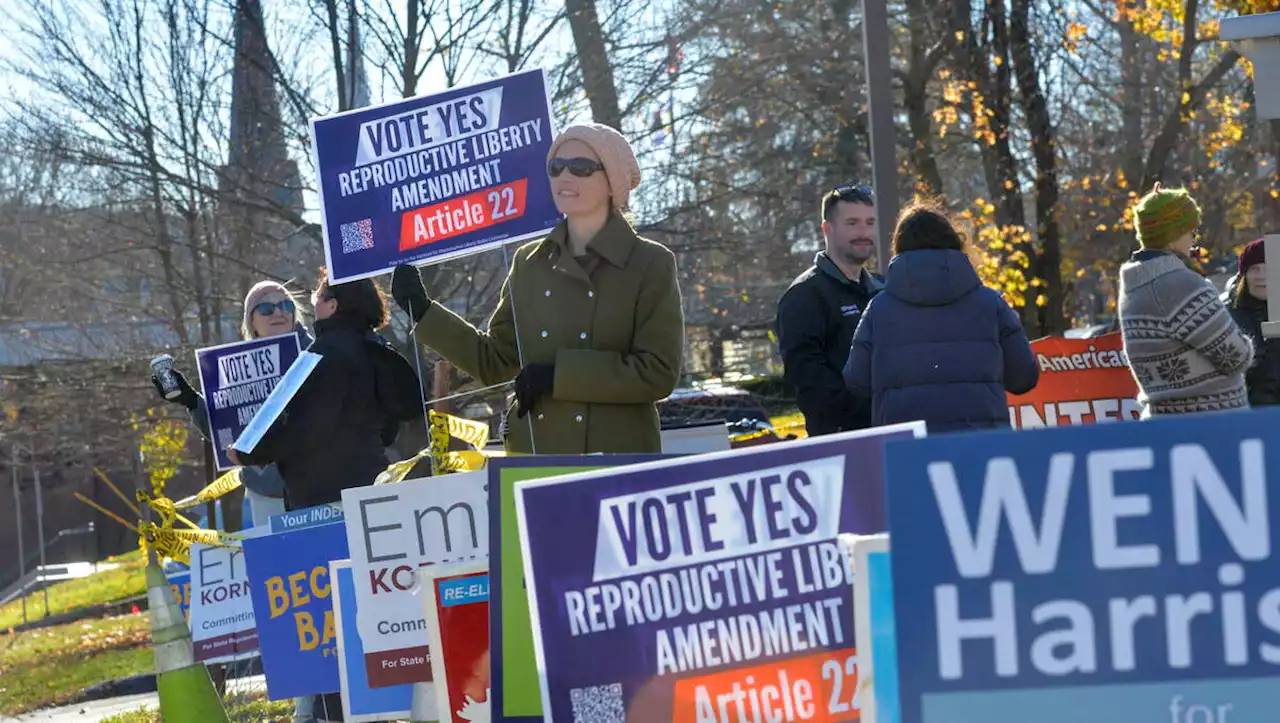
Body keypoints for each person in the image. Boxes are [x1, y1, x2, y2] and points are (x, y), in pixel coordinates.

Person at [391, 123, 683, 454]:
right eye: (556, 167)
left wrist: (560, 375)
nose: (565, 177)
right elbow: (496, 362)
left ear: (612, 181)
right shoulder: (529, 262)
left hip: (614, 459)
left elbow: (657, 373)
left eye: (582, 168)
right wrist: (424, 310)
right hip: (535, 456)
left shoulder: (649, 262)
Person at [842, 200, 1038, 432]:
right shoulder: (991, 303)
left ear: (899, 248)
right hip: (983, 446)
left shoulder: (878, 310)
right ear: (954, 241)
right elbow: (1023, 377)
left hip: (906, 447)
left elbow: (857, 381)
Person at [151, 280, 311, 527]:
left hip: (318, 484)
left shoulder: (316, 353)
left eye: (286, 306)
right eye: (267, 308)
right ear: (252, 322)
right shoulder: (238, 368)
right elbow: (226, 432)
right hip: (265, 492)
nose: (279, 312)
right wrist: (190, 400)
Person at [1118, 185, 1253, 416]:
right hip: (1211, 424)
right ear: (1173, 235)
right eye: (1192, 231)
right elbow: (1236, 356)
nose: (1194, 239)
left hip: (1165, 423)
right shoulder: (1181, 284)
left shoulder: (1134, 284)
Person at [776, 184, 884, 436]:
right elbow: (808, 381)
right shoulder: (804, 296)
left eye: (870, 222)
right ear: (827, 229)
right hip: (842, 444)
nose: (863, 232)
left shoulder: (884, 289)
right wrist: (869, 411)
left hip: (893, 435)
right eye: (852, 223)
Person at [1228, 238, 1280, 406]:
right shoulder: (1227, 317)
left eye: (1269, 269)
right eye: (1255, 269)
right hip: (1246, 415)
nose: (1262, 276)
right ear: (1244, 275)